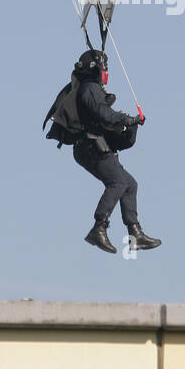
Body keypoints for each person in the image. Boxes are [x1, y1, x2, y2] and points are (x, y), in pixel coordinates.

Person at [71, 49, 161, 254]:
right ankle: (98, 228)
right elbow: (105, 115)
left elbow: (108, 122)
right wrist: (126, 119)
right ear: (96, 69)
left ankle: (134, 233)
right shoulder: (89, 89)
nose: (106, 72)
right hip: (90, 147)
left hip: (93, 147)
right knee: (118, 182)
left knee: (129, 184)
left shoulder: (92, 89)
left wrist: (131, 126)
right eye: (104, 68)